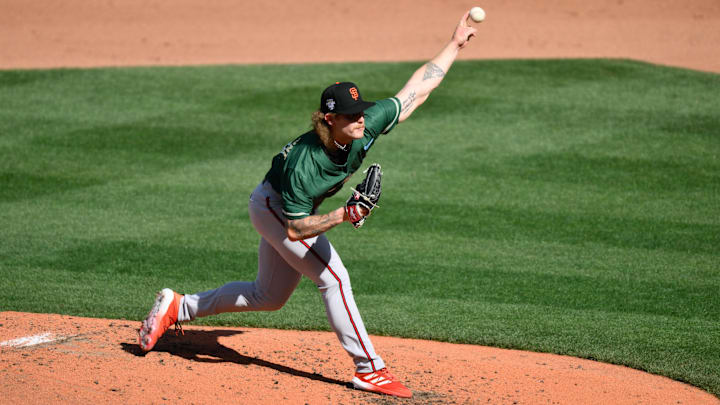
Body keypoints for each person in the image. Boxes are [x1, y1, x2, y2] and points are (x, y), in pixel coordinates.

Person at [138, 10, 478, 399]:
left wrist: (454, 45)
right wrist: (344, 214)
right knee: (333, 277)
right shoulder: (306, 164)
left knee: (268, 297)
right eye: (351, 115)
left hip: (292, 209)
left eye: (361, 111)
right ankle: (370, 369)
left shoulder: (363, 124)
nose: (361, 120)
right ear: (330, 120)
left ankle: (179, 307)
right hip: (275, 208)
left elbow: (414, 92)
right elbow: (295, 229)